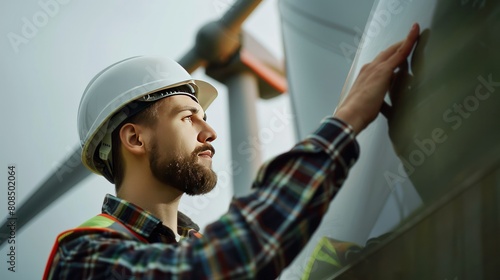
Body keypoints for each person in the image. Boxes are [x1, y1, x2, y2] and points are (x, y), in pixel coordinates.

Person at [44, 24, 420, 279]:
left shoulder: (191, 246)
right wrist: (345, 122)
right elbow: (223, 262)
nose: (210, 132)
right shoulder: (84, 257)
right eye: (188, 117)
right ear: (135, 139)